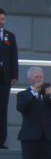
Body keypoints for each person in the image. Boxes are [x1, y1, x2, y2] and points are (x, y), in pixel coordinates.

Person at [0, 8, 18, 148]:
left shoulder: (9, 36)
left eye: (3, 19)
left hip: (4, 78)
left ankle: (1, 140)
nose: (1, 22)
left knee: (3, 108)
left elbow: (13, 56)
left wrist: (14, 75)